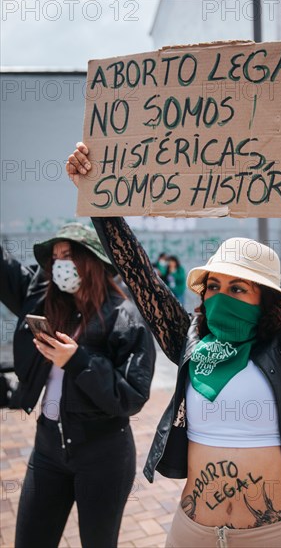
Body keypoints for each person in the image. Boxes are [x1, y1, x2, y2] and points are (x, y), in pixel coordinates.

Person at [66, 125, 281, 547]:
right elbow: (139, 272)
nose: (222, 298)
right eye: (214, 287)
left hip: (273, 535)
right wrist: (95, 195)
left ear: (266, 301)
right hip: (192, 532)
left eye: (238, 289)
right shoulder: (188, 342)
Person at [0, 223, 156, 548]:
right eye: (55, 258)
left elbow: (130, 397)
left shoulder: (124, 316)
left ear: (91, 260)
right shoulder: (50, 304)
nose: (59, 264)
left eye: (67, 255)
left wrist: (78, 362)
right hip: (47, 448)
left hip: (103, 456)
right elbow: (6, 272)